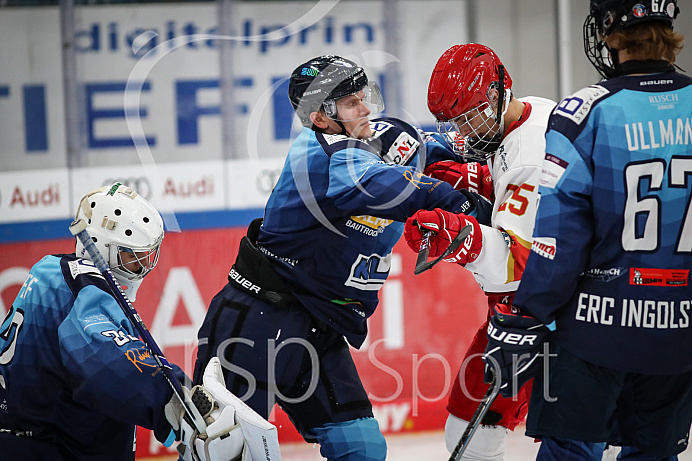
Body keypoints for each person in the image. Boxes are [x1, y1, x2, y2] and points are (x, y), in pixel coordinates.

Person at [192, 55, 493, 461]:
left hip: (318, 328)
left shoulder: (367, 136)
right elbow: (388, 184)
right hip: (257, 323)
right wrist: (463, 202)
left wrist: (483, 151)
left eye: (364, 96)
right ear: (320, 118)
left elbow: (431, 142)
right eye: (352, 103)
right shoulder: (324, 157)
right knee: (224, 453)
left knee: (361, 448)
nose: (366, 108)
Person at [482, 0, 691, 460]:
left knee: (569, 451)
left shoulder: (585, 112)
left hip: (596, 330)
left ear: (610, 33)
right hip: (677, 329)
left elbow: (559, 240)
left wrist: (525, 318)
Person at [0, 183, 264, 461]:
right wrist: (172, 399)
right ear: (100, 248)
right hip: (50, 447)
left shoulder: (49, 270)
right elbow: (102, 359)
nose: (143, 266)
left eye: (147, 254)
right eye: (131, 256)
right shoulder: (86, 291)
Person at [402, 43, 558, 460]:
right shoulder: (537, 111)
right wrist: (475, 180)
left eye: (469, 117)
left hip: (536, 315)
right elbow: (525, 200)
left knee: (478, 437)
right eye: (454, 122)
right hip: (545, 307)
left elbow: (516, 264)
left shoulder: (526, 156)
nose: (463, 133)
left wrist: (459, 234)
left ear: (495, 94)